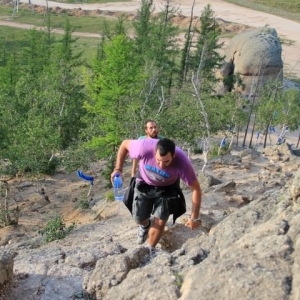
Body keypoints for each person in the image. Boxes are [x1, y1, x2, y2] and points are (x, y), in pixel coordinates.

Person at [111, 138, 202, 256]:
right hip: (144, 183)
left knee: (160, 221)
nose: (162, 165)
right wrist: (118, 169)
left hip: (167, 189)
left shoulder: (182, 162)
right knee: (139, 218)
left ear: (173, 156)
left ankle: (150, 250)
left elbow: (196, 189)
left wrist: (194, 217)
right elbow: (124, 145)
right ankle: (145, 225)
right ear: (154, 153)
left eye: (167, 161)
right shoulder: (143, 147)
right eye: (158, 160)